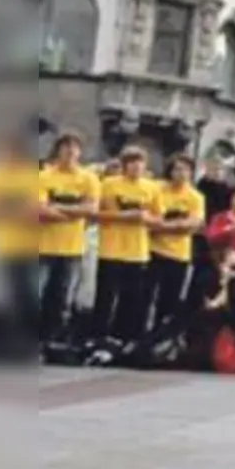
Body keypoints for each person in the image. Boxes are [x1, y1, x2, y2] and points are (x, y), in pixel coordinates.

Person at [92, 147, 160, 346]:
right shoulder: (108, 184)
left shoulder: (152, 188)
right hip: (111, 249)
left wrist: (146, 218)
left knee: (131, 299)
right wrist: (124, 216)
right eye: (132, 162)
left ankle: (124, 338)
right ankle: (99, 336)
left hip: (137, 252)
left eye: (140, 162)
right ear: (124, 165)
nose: (136, 166)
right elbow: (95, 214)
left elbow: (158, 219)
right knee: (105, 297)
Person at [37, 133, 101, 344]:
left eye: (74, 147)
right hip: (42, 246)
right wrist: (75, 211)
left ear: (80, 152)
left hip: (72, 248)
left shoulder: (88, 178)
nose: (70, 151)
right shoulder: (44, 176)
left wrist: (57, 208)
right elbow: (39, 210)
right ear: (58, 150)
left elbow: (92, 209)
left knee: (63, 298)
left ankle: (52, 340)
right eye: (66, 147)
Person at [148, 156, 206, 338]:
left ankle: (162, 336)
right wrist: (176, 225)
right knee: (146, 296)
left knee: (170, 300)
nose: (181, 174)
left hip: (178, 254)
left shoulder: (195, 197)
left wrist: (163, 226)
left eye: (185, 170)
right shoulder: (157, 190)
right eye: (177, 169)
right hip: (153, 250)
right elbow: (149, 219)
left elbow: (193, 224)